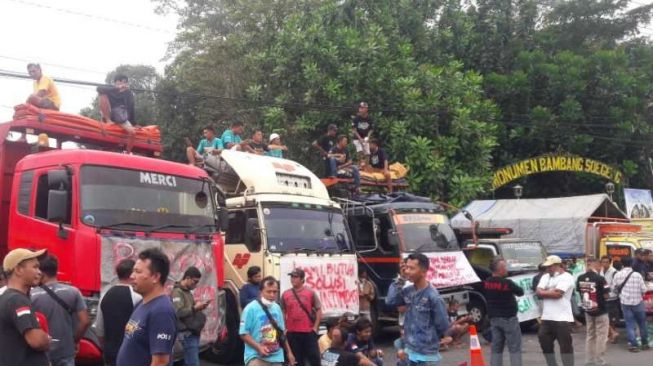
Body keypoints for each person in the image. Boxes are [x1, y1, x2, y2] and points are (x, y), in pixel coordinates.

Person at [386, 253, 450, 366]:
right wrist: (400, 279)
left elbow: (443, 325)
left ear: (424, 271)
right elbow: (390, 301)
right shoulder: (408, 291)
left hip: (426, 356)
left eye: (412, 268)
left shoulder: (433, 296)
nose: (407, 271)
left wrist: (429, 338)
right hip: (409, 352)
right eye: (406, 267)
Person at [116, 248, 177, 366]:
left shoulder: (162, 311)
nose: (132, 276)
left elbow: (160, 363)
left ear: (155, 277)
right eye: (133, 271)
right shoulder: (141, 303)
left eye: (138, 272)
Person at [30, 255, 90, 366]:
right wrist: (75, 341)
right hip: (66, 351)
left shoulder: (31, 296)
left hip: (41, 352)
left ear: (41, 273)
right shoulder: (73, 292)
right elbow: (85, 321)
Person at [0, 248, 50, 366]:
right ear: (18, 270)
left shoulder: (6, 298)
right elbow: (36, 341)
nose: (39, 272)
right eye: (35, 267)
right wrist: (46, 339)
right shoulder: (18, 300)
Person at [95, 259, 142, 366]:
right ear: (132, 274)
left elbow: (99, 329)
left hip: (110, 351)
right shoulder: (137, 296)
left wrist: (105, 345)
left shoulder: (105, 295)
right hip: (130, 351)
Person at [240, 276, 295, 366]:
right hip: (256, 357)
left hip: (277, 357)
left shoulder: (277, 308)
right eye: (268, 292)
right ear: (261, 292)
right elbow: (243, 333)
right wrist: (259, 347)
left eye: (275, 292)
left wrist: (289, 352)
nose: (272, 295)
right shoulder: (250, 309)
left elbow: (282, 333)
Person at [482, 257, 523, 366]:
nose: (506, 269)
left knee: (496, 347)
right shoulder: (507, 283)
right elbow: (520, 292)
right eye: (505, 267)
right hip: (508, 318)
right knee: (514, 347)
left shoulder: (487, 282)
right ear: (500, 270)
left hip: (494, 319)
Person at [535, 255, 575, 366]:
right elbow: (538, 292)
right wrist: (550, 292)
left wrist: (545, 292)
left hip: (562, 318)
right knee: (544, 343)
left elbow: (558, 294)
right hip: (547, 317)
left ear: (558, 265)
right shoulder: (546, 276)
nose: (548, 269)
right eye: (547, 267)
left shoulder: (567, 277)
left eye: (550, 267)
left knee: (565, 347)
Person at [281, 268, 323, 366]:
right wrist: (284, 328)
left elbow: (319, 309)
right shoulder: (285, 294)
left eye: (295, 277)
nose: (293, 279)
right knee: (296, 361)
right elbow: (282, 311)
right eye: (291, 277)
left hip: (308, 332)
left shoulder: (310, 292)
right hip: (292, 333)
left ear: (302, 279)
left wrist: (315, 327)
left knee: (314, 359)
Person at [171, 266, 209, 366]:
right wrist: (195, 308)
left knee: (191, 361)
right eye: (194, 281)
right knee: (193, 363)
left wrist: (199, 306)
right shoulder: (177, 292)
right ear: (187, 278)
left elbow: (188, 309)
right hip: (186, 331)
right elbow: (178, 312)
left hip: (191, 330)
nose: (195, 285)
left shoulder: (186, 291)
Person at [576, 257, 609, 366]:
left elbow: (579, 291)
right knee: (601, 336)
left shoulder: (580, 278)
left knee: (590, 335)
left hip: (587, 310)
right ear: (596, 265)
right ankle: (600, 361)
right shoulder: (600, 278)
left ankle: (589, 360)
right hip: (601, 311)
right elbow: (606, 295)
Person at [612, 256, 649, 352]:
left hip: (625, 303)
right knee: (642, 324)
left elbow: (614, 290)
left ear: (622, 264)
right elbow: (644, 290)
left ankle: (633, 345)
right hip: (638, 302)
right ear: (632, 263)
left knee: (629, 324)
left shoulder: (617, 275)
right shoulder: (637, 275)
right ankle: (645, 344)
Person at [97, 74, 136, 153]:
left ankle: (127, 153)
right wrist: (116, 88)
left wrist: (134, 123)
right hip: (109, 113)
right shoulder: (110, 88)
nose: (123, 84)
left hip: (121, 116)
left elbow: (131, 108)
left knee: (133, 132)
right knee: (102, 95)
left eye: (125, 82)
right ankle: (108, 120)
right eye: (121, 82)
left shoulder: (128, 93)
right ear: (116, 82)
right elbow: (99, 88)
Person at [598, 255, 619, 343]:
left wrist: (609, 294)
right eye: (603, 262)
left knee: (612, 318)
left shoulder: (614, 272)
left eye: (606, 262)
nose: (604, 264)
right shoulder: (600, 271)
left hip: (612, 299)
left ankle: (613, 335)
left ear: (610, 263)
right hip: (603, 298)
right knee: (604, 318)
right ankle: (610, 335)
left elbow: (616, 287)